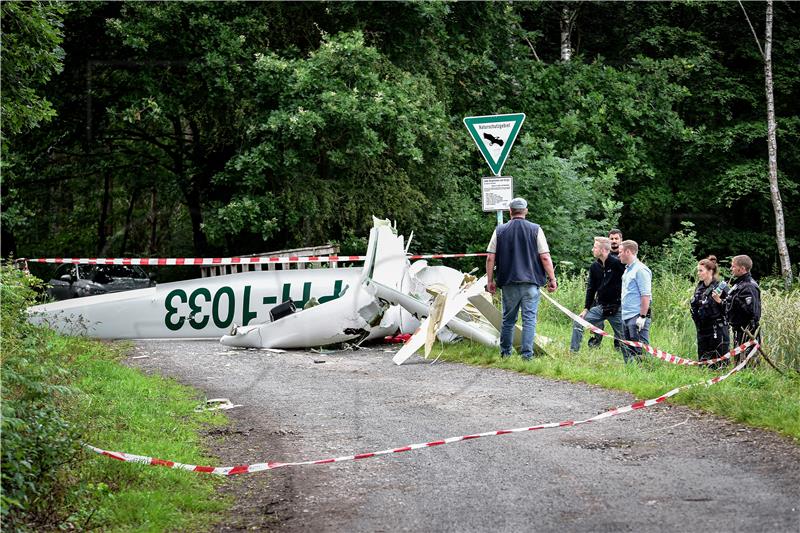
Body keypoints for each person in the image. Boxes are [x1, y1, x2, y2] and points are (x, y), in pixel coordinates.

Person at [486, 197, 558, 360]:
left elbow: (490, 257)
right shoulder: (536, 229)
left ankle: (505, 354)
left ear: (510, 211)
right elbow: (545, 257)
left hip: (509, 282)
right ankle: (527, 355)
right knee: (529, 320)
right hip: (531, 283)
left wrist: (490, 281)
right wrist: (552, 279)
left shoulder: (500, 230)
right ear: (525, 211)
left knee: (508, 320)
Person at [570, 237, 625, 352]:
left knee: (624, 337)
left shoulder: (618, 264)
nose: (592, 249)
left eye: (595, 247)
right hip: (600, 307)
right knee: (578, 322)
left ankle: (633, 359)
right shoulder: (594, 267)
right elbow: (591, 289)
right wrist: (586, 309)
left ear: (603, 249)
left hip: (617, 308)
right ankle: (573, 352)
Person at [713, 254, 760, 363]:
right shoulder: (739, 284)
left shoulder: (749, 286)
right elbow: (733, 305)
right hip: (738, 330)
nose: (731, 269)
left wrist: (723, 302)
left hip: (747, 331)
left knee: (748, 363)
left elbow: (751, 312)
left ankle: (751, 379)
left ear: (742, 268)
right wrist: (720, 301)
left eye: (733, 266)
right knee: (738, 362)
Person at [690, 256, 730, 366]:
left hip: (717, 330)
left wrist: (719, 301)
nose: (698, 273)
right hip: (702, 329)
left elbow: (730, 309)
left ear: (710, 271)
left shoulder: (722, 287)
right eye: (698, 270)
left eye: (701, 270)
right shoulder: (699, 287)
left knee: (719, 365)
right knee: (703, 364)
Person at [589, 228, 624, 348]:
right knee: (597, 324)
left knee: (619, 328)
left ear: (621, 240)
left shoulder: (623, 258)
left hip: (618, 300)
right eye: (611, 239)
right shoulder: (600, 259)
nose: (614, 241)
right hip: (601, 298)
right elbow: (593, 283)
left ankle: (619, 346)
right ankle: (595, 343)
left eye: (616, 239)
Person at [618, 240, 652, 362]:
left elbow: (645, 295)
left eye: (621, 252)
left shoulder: (641, 270)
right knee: (628, 349)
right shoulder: (627, 269)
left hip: (636, 315)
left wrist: (642, 316)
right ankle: (631, 374)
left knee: (640, 349)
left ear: (628, 252)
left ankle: (646, 373)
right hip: (626, 315)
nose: (618, 255)